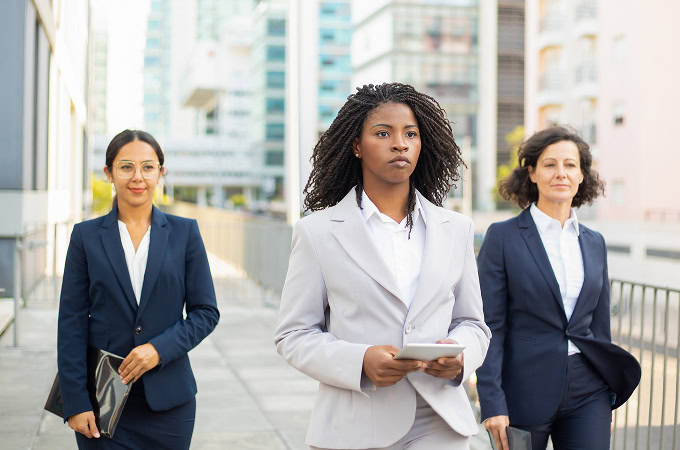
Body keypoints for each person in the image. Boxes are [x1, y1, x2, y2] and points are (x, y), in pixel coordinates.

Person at [274, 83, 491, 450]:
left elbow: (474, 324)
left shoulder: (456, 229)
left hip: (440, 420)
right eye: (383, 133)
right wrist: (359, 360)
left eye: (410, 134)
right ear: (356, 146)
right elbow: (293, 335)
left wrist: (459, 355)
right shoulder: (317, 232)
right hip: (357, 421)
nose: (400, 144)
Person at [476, 126, 640, 450]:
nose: (560, 173)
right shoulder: (503, 237)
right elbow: (490, 325)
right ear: (532, 173)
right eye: (550, 165)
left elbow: (599, 328)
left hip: (588, 390)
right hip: (522, 391)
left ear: (581, 176)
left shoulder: (594, 243)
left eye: (570, 165)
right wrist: (492, 402)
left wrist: (606, 400)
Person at [57, 129, 220, 449]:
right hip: (101, 401)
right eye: (126, 166)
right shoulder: (85, 237)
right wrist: (75, 402)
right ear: (109, 173)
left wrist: (158, 349)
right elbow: (71, 322)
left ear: (161, 172)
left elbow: (206, 312)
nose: (138, 177)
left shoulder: (184, 233)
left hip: (170, 405)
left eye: (148, 167)